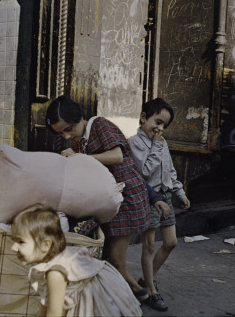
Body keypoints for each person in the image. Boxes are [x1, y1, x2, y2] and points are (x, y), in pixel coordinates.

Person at [46, 95, 160, 302]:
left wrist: (78, 158)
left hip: (126, 198)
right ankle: (126, 296)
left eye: (69, 128)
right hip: (110, 200)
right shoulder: (81, 142)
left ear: (80, 117)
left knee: (115, 260)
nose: (66, 135)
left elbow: (117, 156)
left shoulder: (100, 125)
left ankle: (140, 295)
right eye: (61, 132)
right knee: (108, 257)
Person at [10, 203, 143, 317]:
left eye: (20, 242)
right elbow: (47, 302)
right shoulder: (59, 257)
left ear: (46, 245)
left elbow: (54, 314)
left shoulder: (55, 273)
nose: (13, 247)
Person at [128, 98, 191, 311]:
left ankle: (147, 279)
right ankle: (151, 292)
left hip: (165, 197)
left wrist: (180, 194)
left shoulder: (163, 143)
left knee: (171, 242)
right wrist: (155, 145)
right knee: (149, 245)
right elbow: (144, 172)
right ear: (143, 118)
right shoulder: (134, 143)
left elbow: (170, 172)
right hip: (148, 198)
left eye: (164, 125)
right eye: (157, 121)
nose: (160, 128)